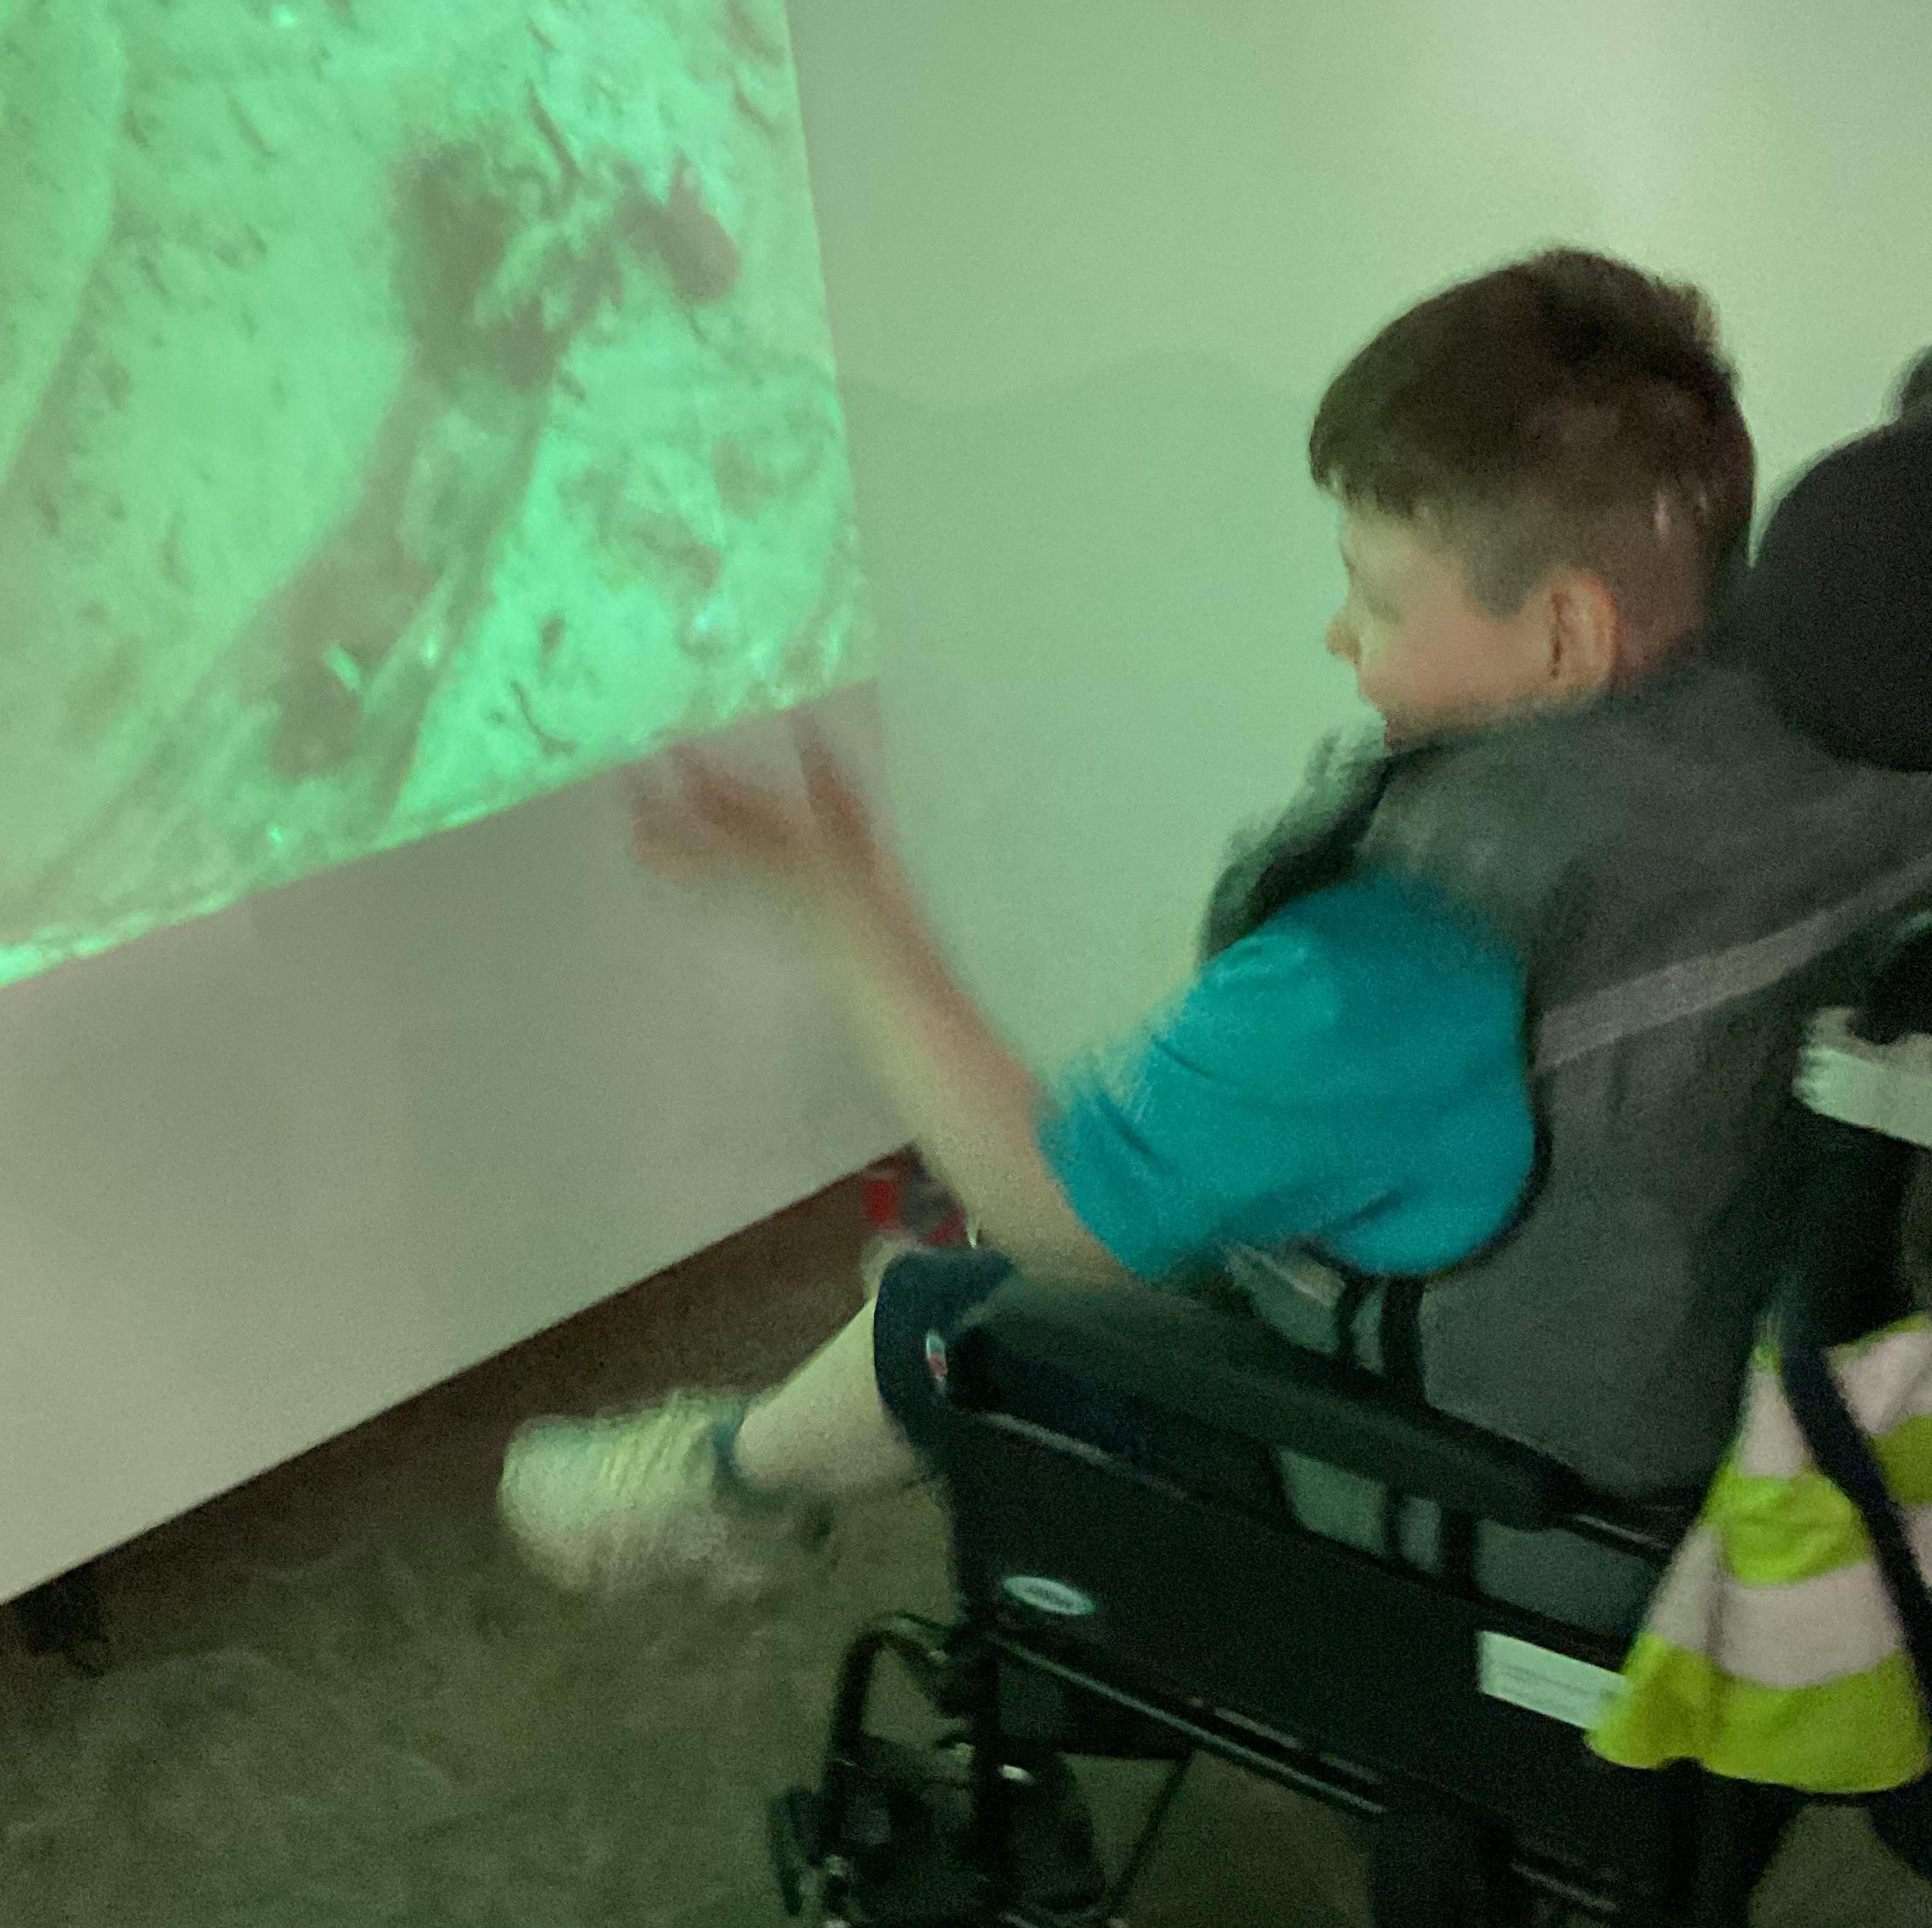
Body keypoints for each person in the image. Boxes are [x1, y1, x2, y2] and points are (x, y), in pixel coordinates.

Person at [496, 244, 1825, 1608]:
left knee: (963, 1309)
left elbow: (1052, 1207)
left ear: (1563, 637)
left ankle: (717, 1492)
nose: (1338, 633)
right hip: (1706, 1435)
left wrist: (838, 898)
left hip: (1494, 1530)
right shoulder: (1827, 758)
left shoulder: (1407, 952)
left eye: (1374, 597)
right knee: (1095, 1219)